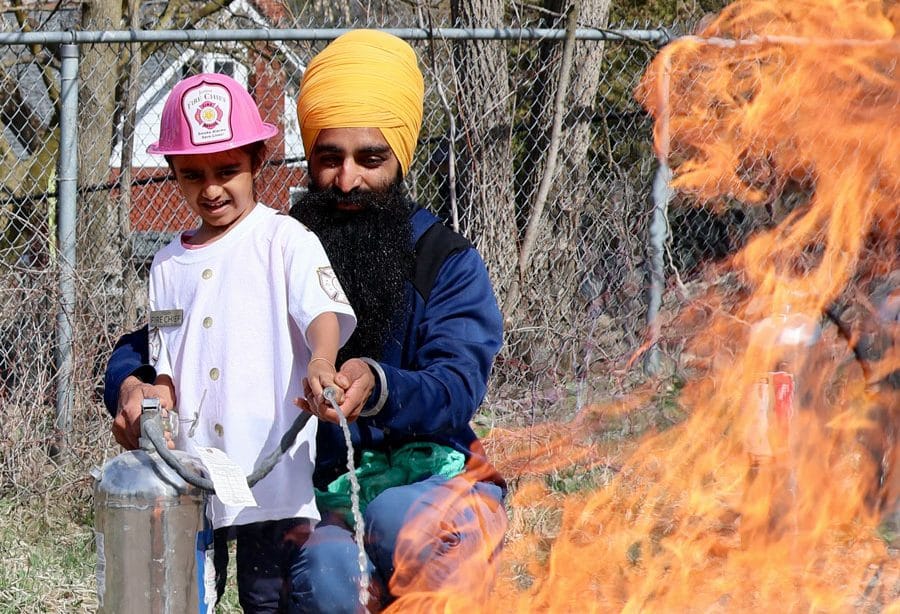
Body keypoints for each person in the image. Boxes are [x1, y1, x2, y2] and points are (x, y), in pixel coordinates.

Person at [104, 30, 508, 613]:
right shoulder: (272, 241)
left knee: (402, 525)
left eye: (370, 158)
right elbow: (165, 339)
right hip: (317, 492)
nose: (347, 180)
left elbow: (457, 384)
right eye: (329, 157)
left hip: (430, 475)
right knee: (323, 572)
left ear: (402, 155)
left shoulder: (445, 261)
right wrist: (129, 383)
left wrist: (377, 384)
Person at [133, 72, 356, 612]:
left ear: (258, 161)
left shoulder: (284, 239)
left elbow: (322, 312)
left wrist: (322, 361)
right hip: (193, 469)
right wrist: (157, 392)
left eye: (228, 170)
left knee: (266, 596)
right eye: (193, 174)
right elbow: (167, 355)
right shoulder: (166, 264)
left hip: (271, 471)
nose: (212, 189)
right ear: (173, 174)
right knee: (189, 593)